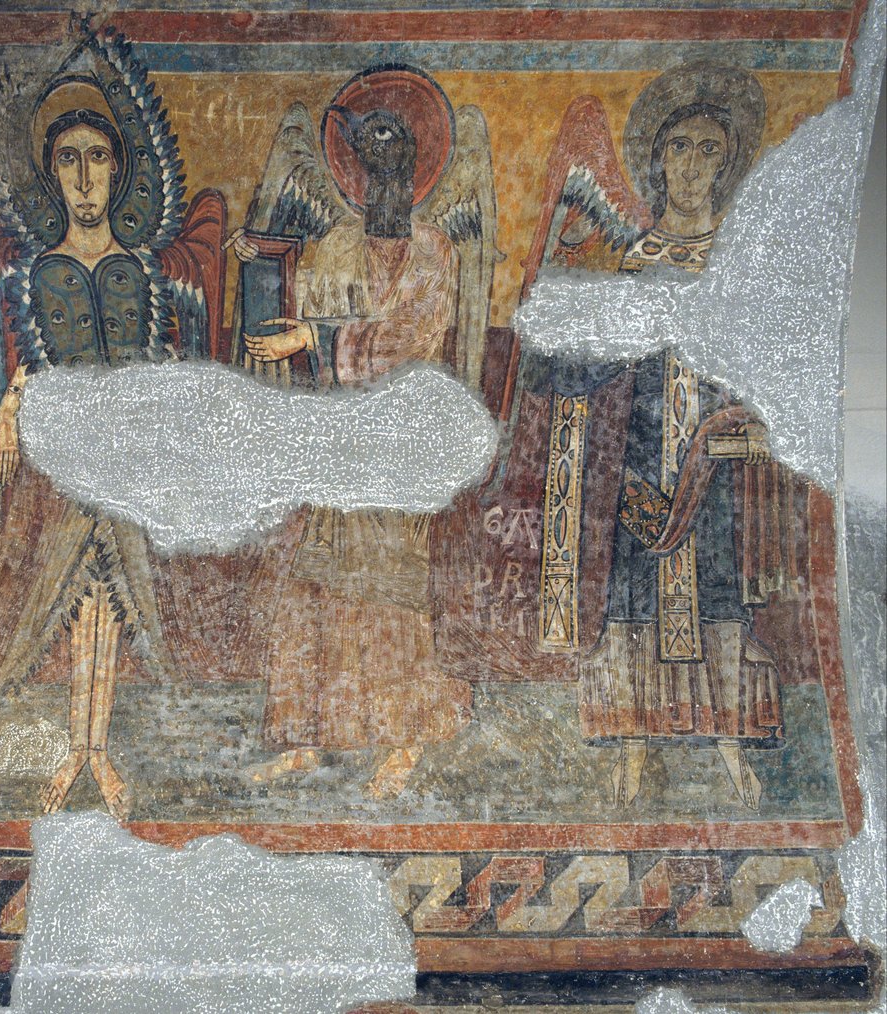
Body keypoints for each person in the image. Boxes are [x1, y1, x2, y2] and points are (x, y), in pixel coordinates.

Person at [533, 66, 783, 807]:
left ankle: (731, 745)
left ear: (727, 166)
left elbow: (766, 369)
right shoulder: (631, 261)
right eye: (680, 148)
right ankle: (634, 747)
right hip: (640, 465)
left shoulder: (738, 267)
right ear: (658, 160)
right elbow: (587, 364)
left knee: (717, 604)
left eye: (710, 151)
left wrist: (751, 422)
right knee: (634, 601)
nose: (693, 166)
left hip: (716, 469)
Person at [238, 72, 473, 799]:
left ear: (416, 161)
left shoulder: (436, 252)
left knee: (390, 588)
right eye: (371, 151)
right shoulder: (337, 245)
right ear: (357, 168)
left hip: (400, 448)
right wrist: (263, 276)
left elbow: (413, 340)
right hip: (337, 441)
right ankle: (306, 737)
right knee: (313, 582)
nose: (384, 164)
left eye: (395, 147)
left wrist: (316, 335)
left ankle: (404, 738)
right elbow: (304, 321)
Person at [0, 99, 172, 819]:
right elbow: (37, 358)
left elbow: (153, 359)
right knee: (78, 592)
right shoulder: (40, 272)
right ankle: (78, 749)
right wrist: (11, 403)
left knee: (113, 599)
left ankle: (95, 749)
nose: (85, 179)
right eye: (69, 160)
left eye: (97, 159)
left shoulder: (138, 269)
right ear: (51, 175)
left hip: (126, 450)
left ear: (118, 171)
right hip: (66, 453)